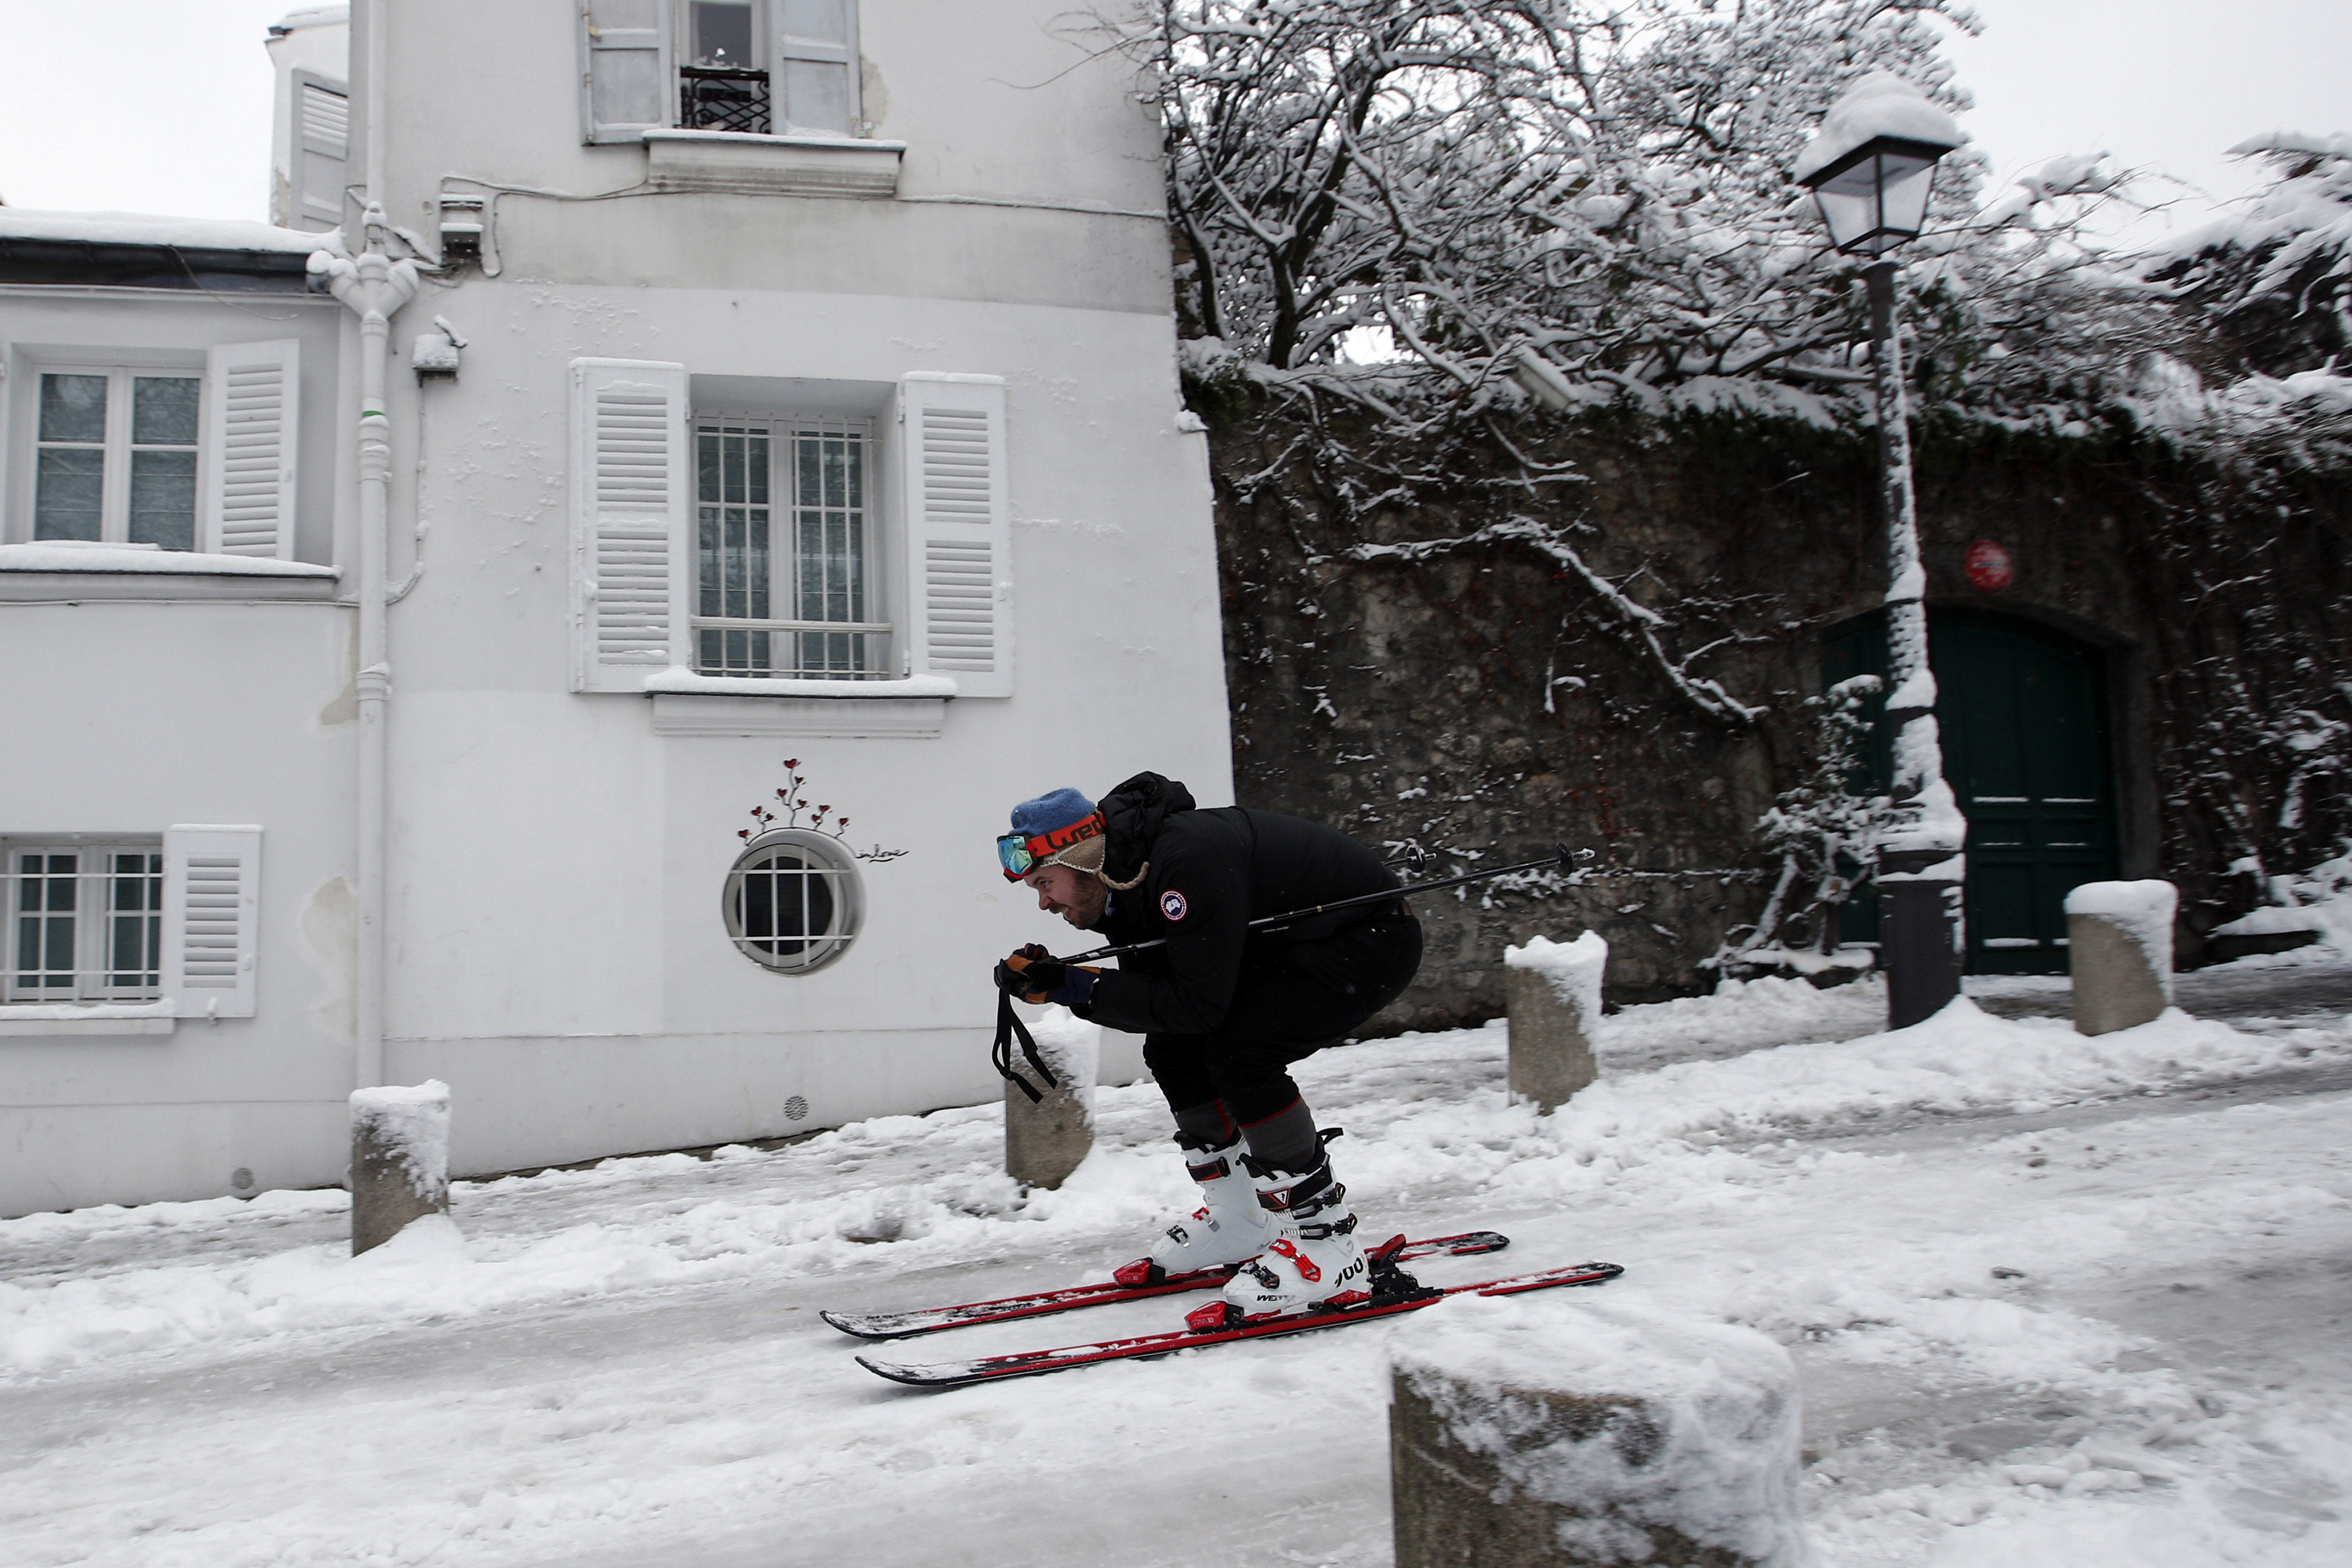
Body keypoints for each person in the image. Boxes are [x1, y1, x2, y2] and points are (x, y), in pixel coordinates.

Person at [992, 772, 1423, 1321]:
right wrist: (1062, 980)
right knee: (1173, 1052)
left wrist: (1077, 988)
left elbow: (1198, 1005)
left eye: (1044, 884)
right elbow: (1161, 998)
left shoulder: (1181, 864)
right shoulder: (1126, 882)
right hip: (1293, 948)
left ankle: (1327, 1245)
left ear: (1081, 861)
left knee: (1240, 1055)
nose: (1045, 904)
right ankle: (1241, 1217)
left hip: (1367, 940)